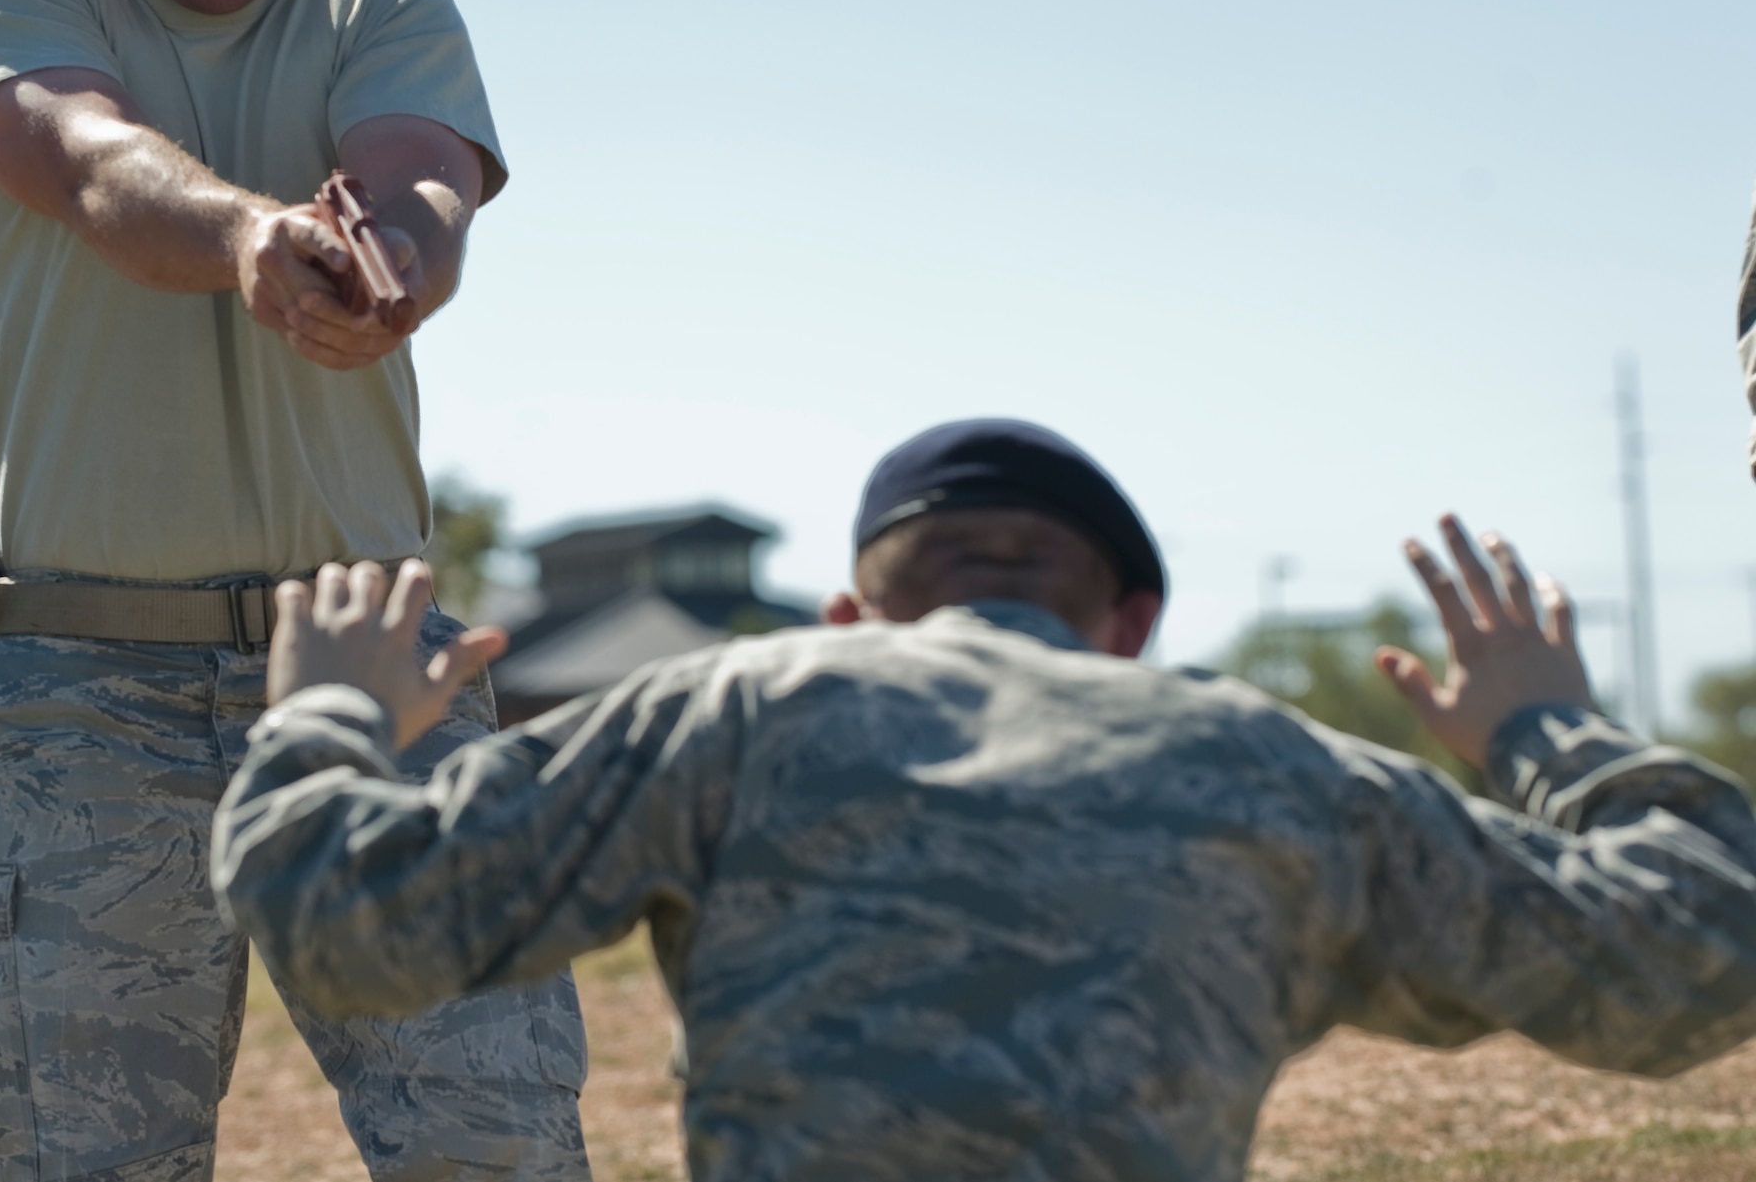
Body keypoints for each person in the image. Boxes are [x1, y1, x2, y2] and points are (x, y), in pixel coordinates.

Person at [214, 418, 1756, 1182]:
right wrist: (1551, 730)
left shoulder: (749, 705)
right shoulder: (1265, 761)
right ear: (1135, 621)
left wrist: (332, 703)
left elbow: (340, 921)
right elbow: (1697, 960)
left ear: (851, 618)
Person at [0, 0, 588, 1182]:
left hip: (378, 677)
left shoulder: (381, 5)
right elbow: (90, 164)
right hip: (86, 691)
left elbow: (421, 174)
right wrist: (247, 240)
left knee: (499, 1140)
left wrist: (395, 266)